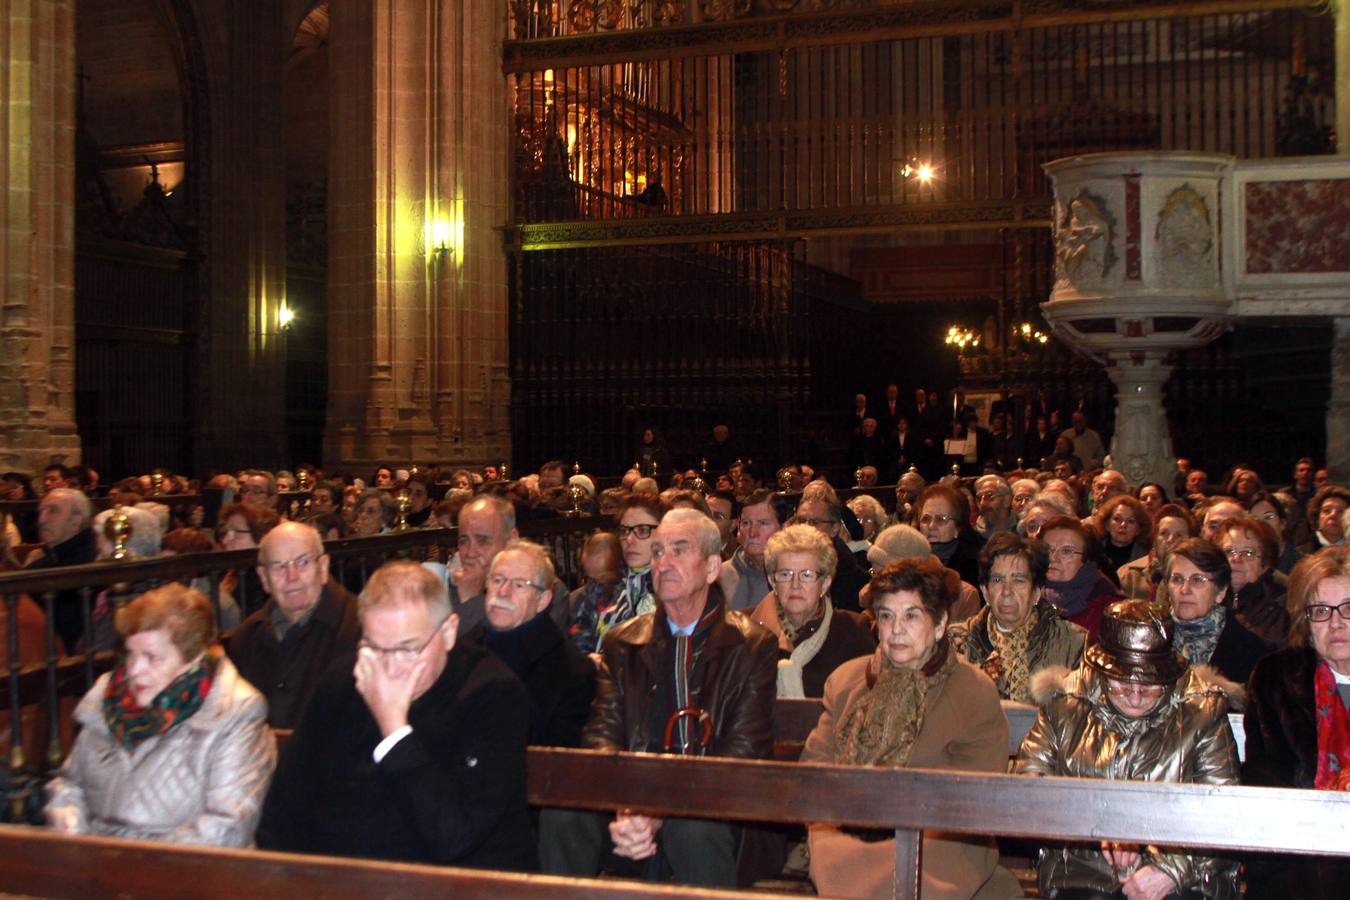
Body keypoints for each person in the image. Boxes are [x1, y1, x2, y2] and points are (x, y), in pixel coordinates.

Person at [539, 508, 777, 888]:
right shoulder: (624, 642)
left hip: (715, 810)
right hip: (632, 806)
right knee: (562, 815)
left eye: (679, 551)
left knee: (691, 829)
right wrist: (628, 809)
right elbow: (601, 738)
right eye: (658, 552)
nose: (663, 563)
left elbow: (743, 757)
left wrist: (660, 812)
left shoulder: (751, 646)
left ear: (713, 567)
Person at [257, 561, 536, 870]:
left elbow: (453, 836)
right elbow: (286, 806)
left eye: (407, 650)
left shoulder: (493, 694)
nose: (389, 670)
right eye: (374, 648)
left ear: (447, 632)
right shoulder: (342, 682)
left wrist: (394, 729)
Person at [803, 557, 1021, 900]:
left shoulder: (972, 690)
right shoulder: (846, 681)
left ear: (939, 624)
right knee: (841, 856)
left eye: (912, 615)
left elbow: (974, 796)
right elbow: (815, 770)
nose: (896, 629)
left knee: (902, 876)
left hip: (942, 838)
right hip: (845, 831)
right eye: (887, 615)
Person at [1016, 599, 1240, 899]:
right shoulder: (1065, 705)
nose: (1135, 696)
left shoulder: (1201, 710)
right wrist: (1099, 826)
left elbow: (1225, 814)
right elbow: (1027, 790)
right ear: (1102, 669)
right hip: (1081, 871)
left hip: (1186, 875)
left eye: (1149, 684)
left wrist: (1172, 870)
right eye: (1121, 683)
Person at [45, 584, 276, 846]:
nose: (135, 670)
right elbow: (69, 784)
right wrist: (71, 828)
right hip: (95, 866)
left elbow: (227, 826)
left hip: (187, 875)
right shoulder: (108, 698)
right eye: (131, 654)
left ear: (193, 660)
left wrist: (132, 865)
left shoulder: (235, 710)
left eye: (152, 657)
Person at [1242, 545, 1350, 899]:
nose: (1336, 623)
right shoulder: (1276, 680)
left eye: (1348, 609)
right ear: (1305, 620)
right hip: (1303, 863)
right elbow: (1266, 789)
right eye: (1321, 611)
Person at [223, 521, 361, 729]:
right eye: (279, 566)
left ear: (323, 567)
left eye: (303, 562)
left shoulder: (360, 629)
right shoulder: (246, 638)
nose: (292, 577)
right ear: (264, 578)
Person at [469, 541, 595, 747]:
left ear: (543, 600)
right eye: (497, 580)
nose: (503, 591)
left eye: (519, 585)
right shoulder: (458, 652)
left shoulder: (570, 671)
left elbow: (557, 762)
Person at [950, 532, 1086, 704]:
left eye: (1018, 580)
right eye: (998, 580)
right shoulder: (956, 642)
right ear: (985, 591)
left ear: (1036, 592)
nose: (1007, 591)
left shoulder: (1074, 643)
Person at [749, 525, 875, 698]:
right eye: (785, 574)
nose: (795, 585)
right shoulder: (754, 638)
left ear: (824, 583)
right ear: (772, 582)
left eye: (807, 575)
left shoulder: (852, 632)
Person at [1162, 538, 1272, 695]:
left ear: (1221, 592)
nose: (1184, 589)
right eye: (1177, 579)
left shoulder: (1250, 649)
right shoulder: (1149, 639)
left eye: (1197, 580)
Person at [569, 492, 661, 654]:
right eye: (625, 531)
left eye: (643, 530)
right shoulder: (607, 583)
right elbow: (579, 628)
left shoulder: (670, 585)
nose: (629, 540)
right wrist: (590, 660)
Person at [24, 487, 98, 651]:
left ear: (76, 520)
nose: (42, 519)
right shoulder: (41, 564)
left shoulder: (92, 562)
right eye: (41, 511)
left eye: (53, 511)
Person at [1039, 515, 1122, 639]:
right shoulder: (1024, 594)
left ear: (1086, 559)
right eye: (1047, 549)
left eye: (1067, 551)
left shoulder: (1110, 610)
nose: (1053, 558)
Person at [1217, 517, 1289, 646]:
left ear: (1265, 564)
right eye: (1229, 551)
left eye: (1248, 553)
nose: (1236, 559)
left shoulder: (1281, 606)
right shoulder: (1207, 600)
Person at [719, 488, 791, 611]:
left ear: (785, 527)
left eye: (763, 523)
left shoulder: (798, 576)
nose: (752, 533)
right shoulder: (719, 577)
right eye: (746, 523)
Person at [1117, 503, 1195, 602]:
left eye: (1179, 535)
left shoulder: (1196, 578)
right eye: (1164, 533)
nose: (1170, 539)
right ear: (1154, 539)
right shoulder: (1129, 575)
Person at [912, 483, 983, 586]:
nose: (931, 526)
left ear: (958, 528)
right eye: (926, 519)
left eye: (941, 519)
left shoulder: (974, 565)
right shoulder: (911, 560)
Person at [1095, 494, 1151, 582]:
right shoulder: (1092, 552)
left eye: (1130, 521)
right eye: (1117, 519)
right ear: (1107, 524)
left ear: (1138, 529)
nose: (1123, 525)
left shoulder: (1145, 560)